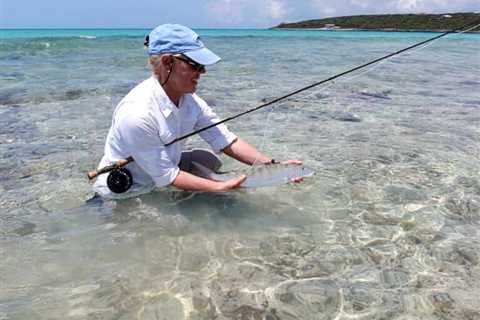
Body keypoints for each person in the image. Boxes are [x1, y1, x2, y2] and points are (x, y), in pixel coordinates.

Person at [93, 24, 300, 198]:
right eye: (195, 65)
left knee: (207, 159)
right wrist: (220, 187)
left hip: (160, 176)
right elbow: (168, 176)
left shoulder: (190, 100)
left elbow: (226, 140)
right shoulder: (136, 114)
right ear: (167, 62)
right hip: (127, 194)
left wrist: (274, 166)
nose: (202, 72)